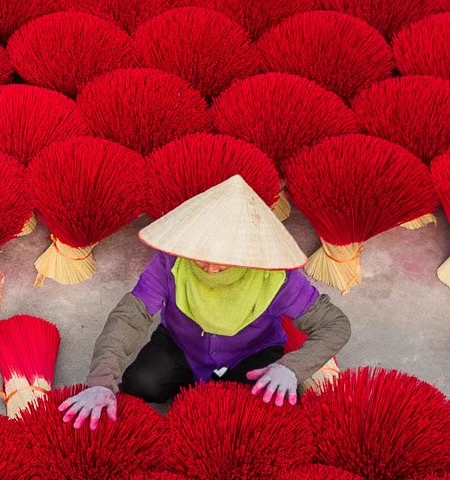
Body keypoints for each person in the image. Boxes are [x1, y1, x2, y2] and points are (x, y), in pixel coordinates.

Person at [60, 176, 351, 428]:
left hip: (252, 354)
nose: (210, 268)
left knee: (260, 414)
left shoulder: (277, 277)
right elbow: (129, 317)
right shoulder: (170, 263)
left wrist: (292, 367)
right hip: (181, 347)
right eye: (201, 257)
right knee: (141, 384)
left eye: (224, 262)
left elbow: (335, 325)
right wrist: (100, 382)